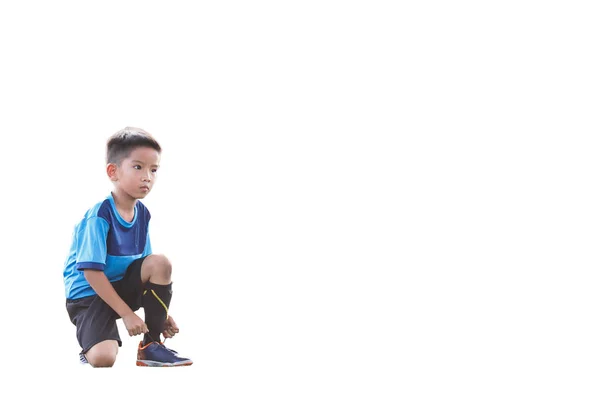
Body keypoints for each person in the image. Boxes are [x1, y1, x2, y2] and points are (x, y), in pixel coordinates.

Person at [63, 127, 192, 367]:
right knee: (103, 359)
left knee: (160, 262)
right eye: (138, 167)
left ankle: (151, 345)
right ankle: (91, 345)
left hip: (120, 287)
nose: (148, 177)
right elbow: (91, 273)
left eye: (154, 170)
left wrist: (160, 315)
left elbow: (147, 270)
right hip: (89, 295)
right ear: (113, 171)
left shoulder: (143, 214)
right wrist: (127, 314)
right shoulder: (99, 216)